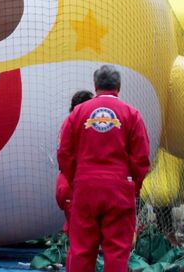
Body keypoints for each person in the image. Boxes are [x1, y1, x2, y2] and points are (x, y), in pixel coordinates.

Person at [57, 65, 151, 272]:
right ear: (119, 86)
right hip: (119, 189)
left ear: (95, 85)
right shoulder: (131, 114)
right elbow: (142, 157)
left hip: (85, 188)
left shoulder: (78, 113)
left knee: (81, 250)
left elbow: (64, 153)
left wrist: (76, 181)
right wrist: (132, 186)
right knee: (117, 251)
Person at [55, 90, 94, 234]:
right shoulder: (78, 123)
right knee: (80, 234)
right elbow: (65, 155)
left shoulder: (72, 122)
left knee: (80, 233)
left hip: (68, 184)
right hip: (72, 185)